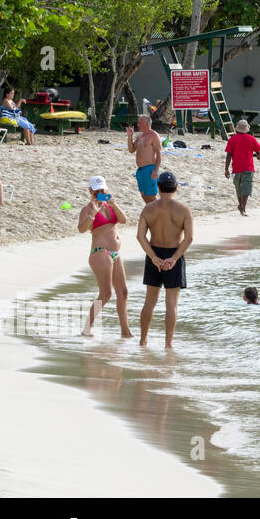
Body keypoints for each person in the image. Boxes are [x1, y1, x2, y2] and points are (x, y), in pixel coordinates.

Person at [137, 172, 193, 348]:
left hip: (154, 253)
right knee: (171, 305)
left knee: (149, 302)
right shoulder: (183, 210)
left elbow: (140, 236)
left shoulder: (148, 209)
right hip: (174, 255)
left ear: (158, 188)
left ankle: (143, 341)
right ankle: (168, 345)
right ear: (176, 188)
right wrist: (174, 258)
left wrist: (153, 257)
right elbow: (189, 238)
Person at [77, 176, 131, 338]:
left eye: (103, 190)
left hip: (115, 254)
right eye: (97, 191)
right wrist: (92, 214)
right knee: (106, 294)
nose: (100, 193)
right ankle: (87, 328)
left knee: (123, 292)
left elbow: (124, 220)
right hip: (100, 253)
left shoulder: (110, 205)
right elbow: (81, 229)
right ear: (90, 191)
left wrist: (114, 204)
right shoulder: (87, 209)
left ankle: (125, 331)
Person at [223, 118, 260, 216]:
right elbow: (258, 150)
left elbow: (229, 155)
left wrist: (226, 169)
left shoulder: (232, 139)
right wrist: (258, 156)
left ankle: (242, 207)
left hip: (236, 169)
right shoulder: (251, 139)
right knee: (246, 188)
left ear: (237, 129)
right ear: (247, 129)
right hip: (248, 167)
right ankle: (242, 207)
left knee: (238, 188)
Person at [126, 114, 163, 204]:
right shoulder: (140, 136)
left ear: (147, 123)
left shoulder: (153, 135)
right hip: (140, 169)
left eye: (140, 122)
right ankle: (152, 214)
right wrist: (130, 136)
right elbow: (131, 150)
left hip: (150, 168)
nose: (138, 124)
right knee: (143, 194)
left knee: (151, 195)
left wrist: (156, 170)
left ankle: (159, 215)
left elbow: (159, 153)